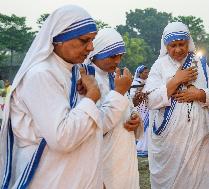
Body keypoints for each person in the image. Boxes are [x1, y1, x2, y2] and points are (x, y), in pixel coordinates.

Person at [0, 5, 129, 189]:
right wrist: (91, 97)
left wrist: (95, 179)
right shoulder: (41, 74)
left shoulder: (75, 72)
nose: (90, 47)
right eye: (84, 40)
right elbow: (63, 138)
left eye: (92, 40)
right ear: (59, 39)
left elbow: (93, 128)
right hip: (49, 181)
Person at [143, 22, 209, 189]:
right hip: (170, 142)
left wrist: (200, 94)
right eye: (173, 45)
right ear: (166, 46)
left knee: (201, 181)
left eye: (182, 44)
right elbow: (150, 100)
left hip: (201, 138)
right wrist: (176, 80)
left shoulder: (200, 63)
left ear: (188, 42)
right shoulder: (159, 66)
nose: (178, 49)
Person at [87, 28, 142, 189]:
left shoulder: (115, 77)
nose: (117, 61)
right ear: (96, 53)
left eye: (120, 56)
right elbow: (95, 126)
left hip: (125, 154)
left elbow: (129, 108)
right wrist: (119, 91)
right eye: (112, 56)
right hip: (103, 158)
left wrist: (136, 119)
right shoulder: (86, 80)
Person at [129, 65, 150, 157]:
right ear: (140, 73)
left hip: (147, 106)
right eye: (145, 72)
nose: (147, 74)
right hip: (140, 107)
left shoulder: (150, 82)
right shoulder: (135, 83)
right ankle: (140, 148)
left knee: (149, 126)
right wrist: (140, 93)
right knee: (141, 126)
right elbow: (132, 95)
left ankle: (148, 147)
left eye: (147, 72)